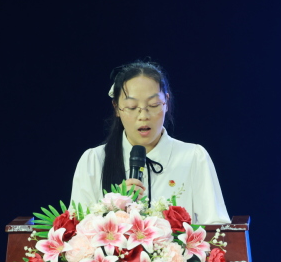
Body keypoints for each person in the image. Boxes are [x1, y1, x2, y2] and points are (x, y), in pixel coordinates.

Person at [70, 61, 230, 225]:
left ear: (166, 102)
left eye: (153, 105)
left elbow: (218, 230)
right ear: (117, 108)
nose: (143, 116)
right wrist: (115, 209)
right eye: (132, 107)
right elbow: (77, 232)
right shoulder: (94, 161)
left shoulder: (194, 157)